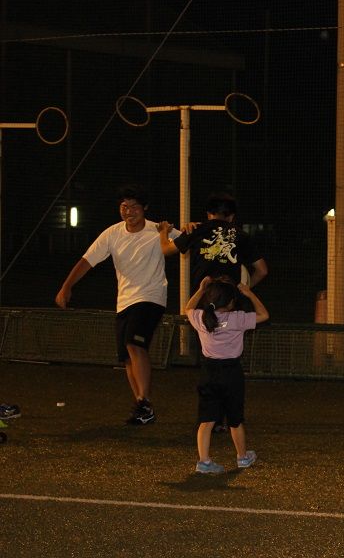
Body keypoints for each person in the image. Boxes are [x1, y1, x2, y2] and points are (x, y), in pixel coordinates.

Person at [55, 184, 179, 425]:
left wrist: (191, 229)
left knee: (134, 342)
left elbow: (186, 241)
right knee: (126, 356)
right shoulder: (112, 233)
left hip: (151, 297)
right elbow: (87, 261)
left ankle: (144, 401)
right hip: (124, 301)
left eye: (134, 207)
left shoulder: (157, 229)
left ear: (145, 208)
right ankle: (142, 407)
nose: (128, 211)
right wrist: (66, 286)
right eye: (124, 206)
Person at [185, 277, 268, 474]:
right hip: (231, 372)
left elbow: (188, 308)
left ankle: (204, 461)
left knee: (207, 419)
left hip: (209, 372)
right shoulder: (237, 319)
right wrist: (249, 293)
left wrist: (200, 289)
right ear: (230, 302)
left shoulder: (201, 317)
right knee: (235, 418)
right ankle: (242, 457)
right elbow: (264, 315)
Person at [159, 192, 268, 300]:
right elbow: (262, 270)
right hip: (229, 300)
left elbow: (166, 250)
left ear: (208, 213)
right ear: (232, 216)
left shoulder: (195, 229)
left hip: (202, 298)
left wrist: (163, 230)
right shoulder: (242, 236)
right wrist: (244, 289)